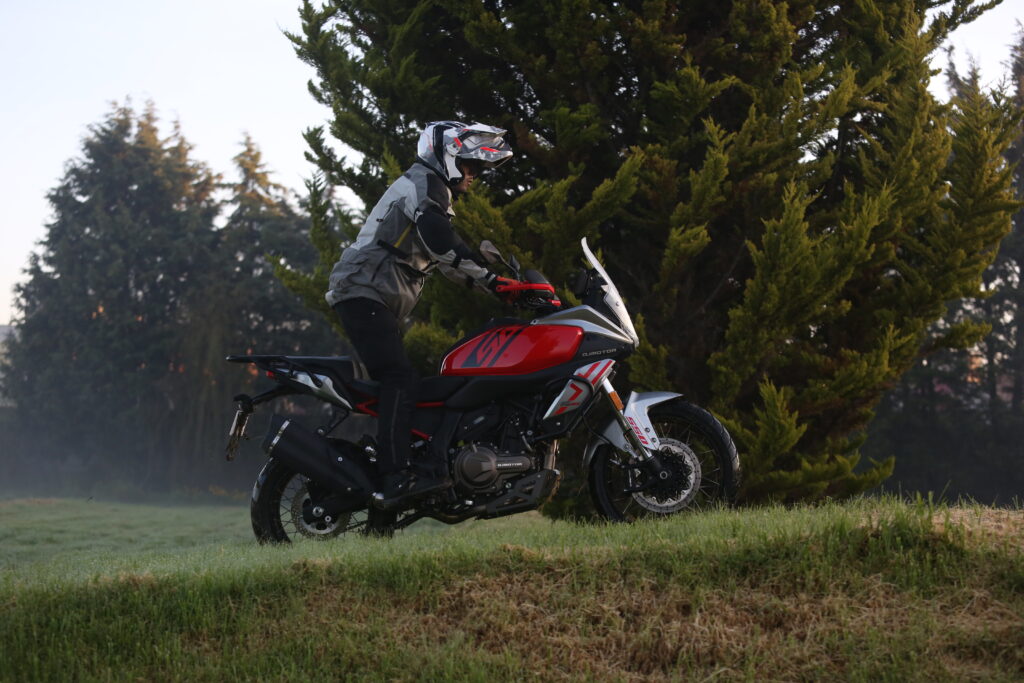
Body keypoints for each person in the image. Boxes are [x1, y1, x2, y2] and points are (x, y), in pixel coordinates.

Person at [325, 121, 526, 509]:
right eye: (470, 167)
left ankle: (404, 472)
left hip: (367, 293)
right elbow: (441, 240)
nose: (474, 177)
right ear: (447, 156)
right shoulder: (425, 185)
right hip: (361, 289)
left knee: (407, 379)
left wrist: (497, 287)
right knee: (398, 376)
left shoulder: (431, 191)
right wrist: (494, 281)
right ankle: (394, 475)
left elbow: (446, 262)